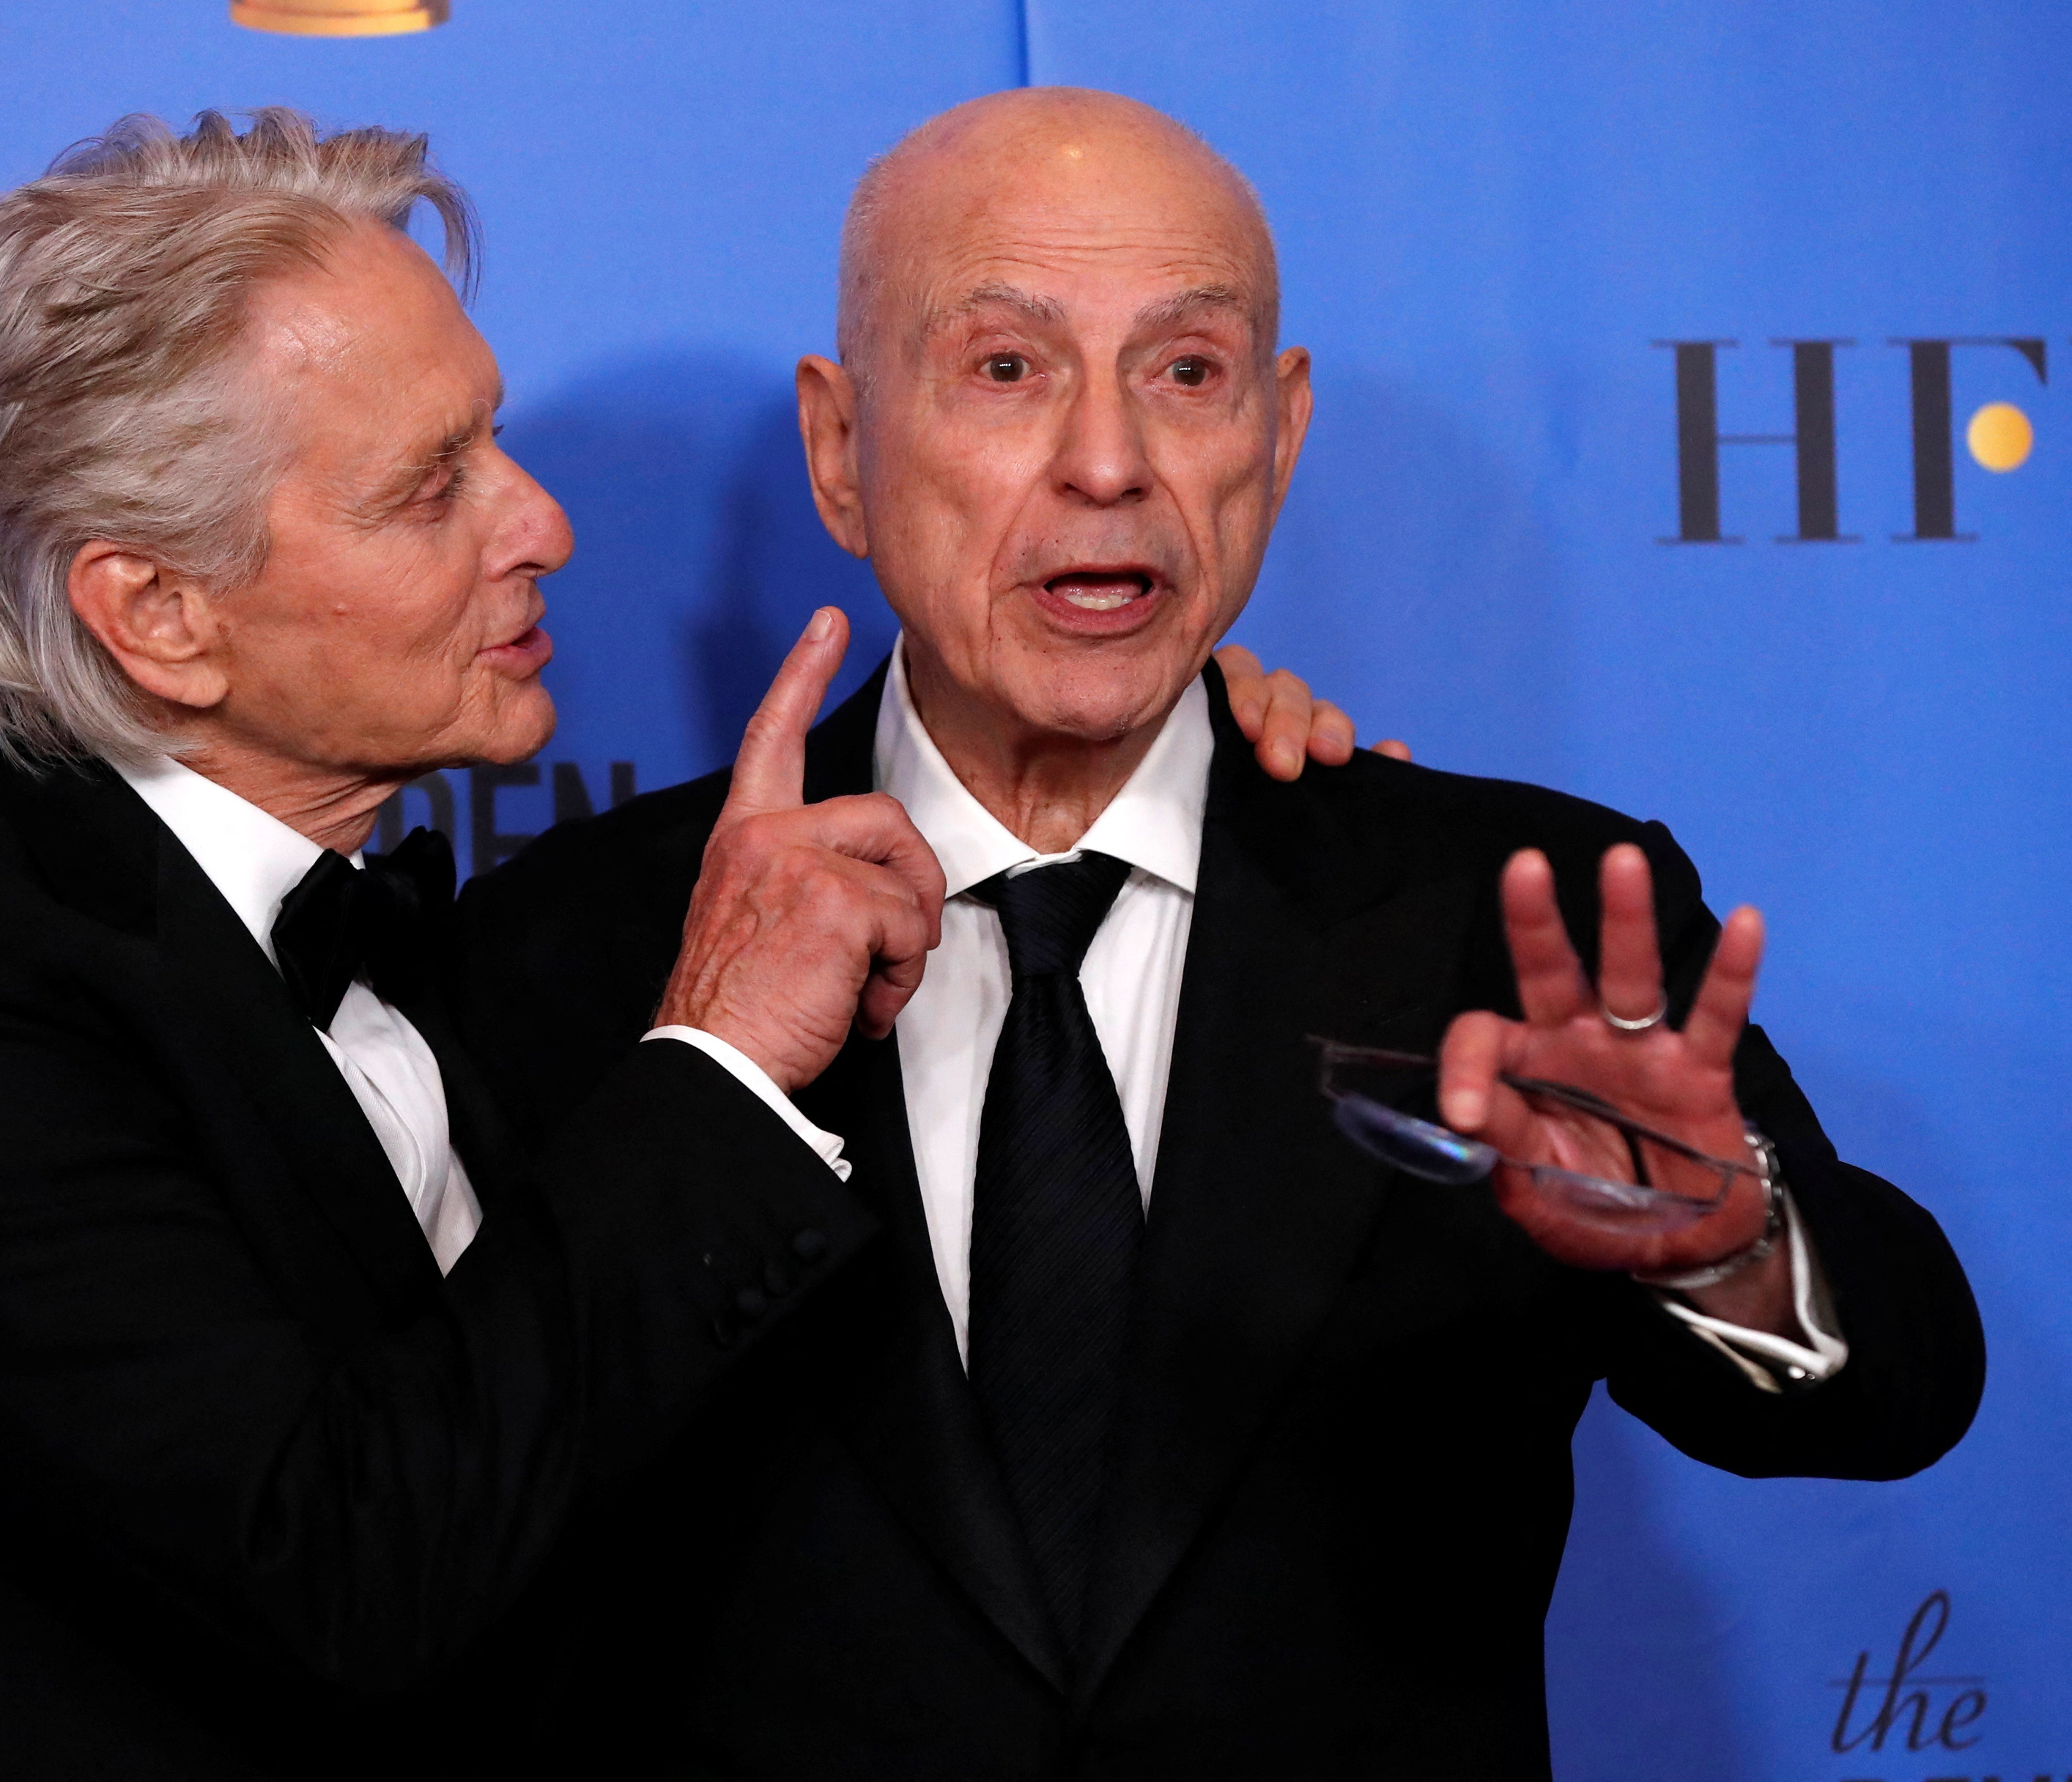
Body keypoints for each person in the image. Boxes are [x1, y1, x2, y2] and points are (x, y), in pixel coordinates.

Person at [454, 88, 1986, 1777]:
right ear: (840, 449)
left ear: (1280, 426)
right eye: (1006, 367)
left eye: (1186, 371)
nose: (1108, 462)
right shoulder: (574, 945)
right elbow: (438, 1535)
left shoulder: (1517, 913)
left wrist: (1725, 1246)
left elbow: (1898, 1390)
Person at [0, 108, 988, 1780]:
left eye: (496, 440)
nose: (543, 524)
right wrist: (718, 1060)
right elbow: (341, 1568)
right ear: (159, 615)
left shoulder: (413, 940)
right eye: (432, 487)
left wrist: (1208, 748)